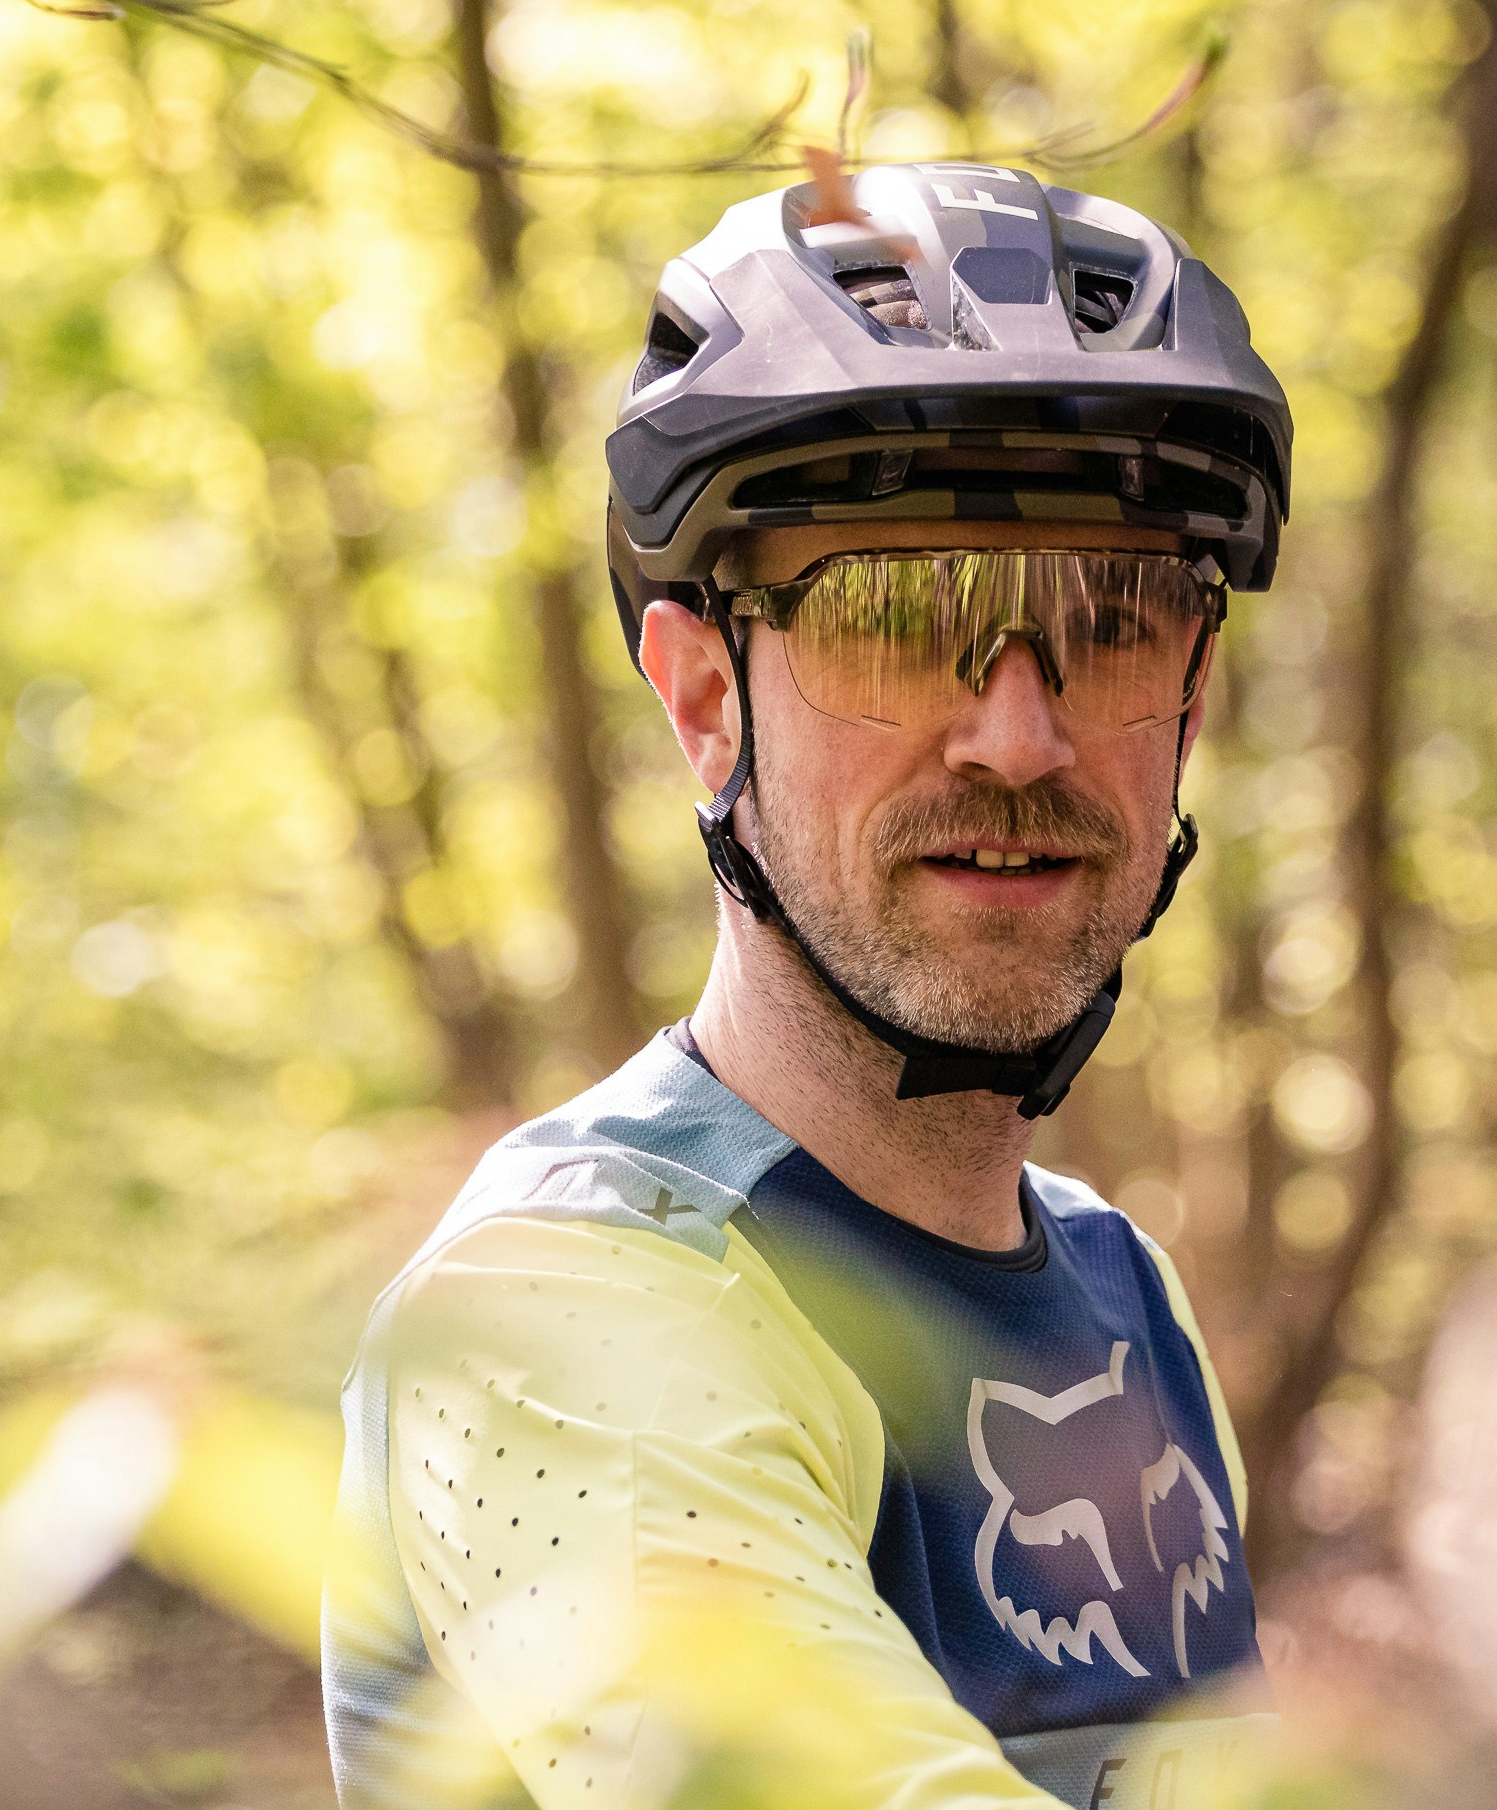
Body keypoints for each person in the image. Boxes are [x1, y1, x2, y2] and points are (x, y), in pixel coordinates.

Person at [322, 159, 1292, 1810]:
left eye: (1114, 621)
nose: (1014, 738)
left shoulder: (1124, 1290)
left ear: (1189, 700)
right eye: (898, 621)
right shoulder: (561, 1316)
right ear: (705, 699)